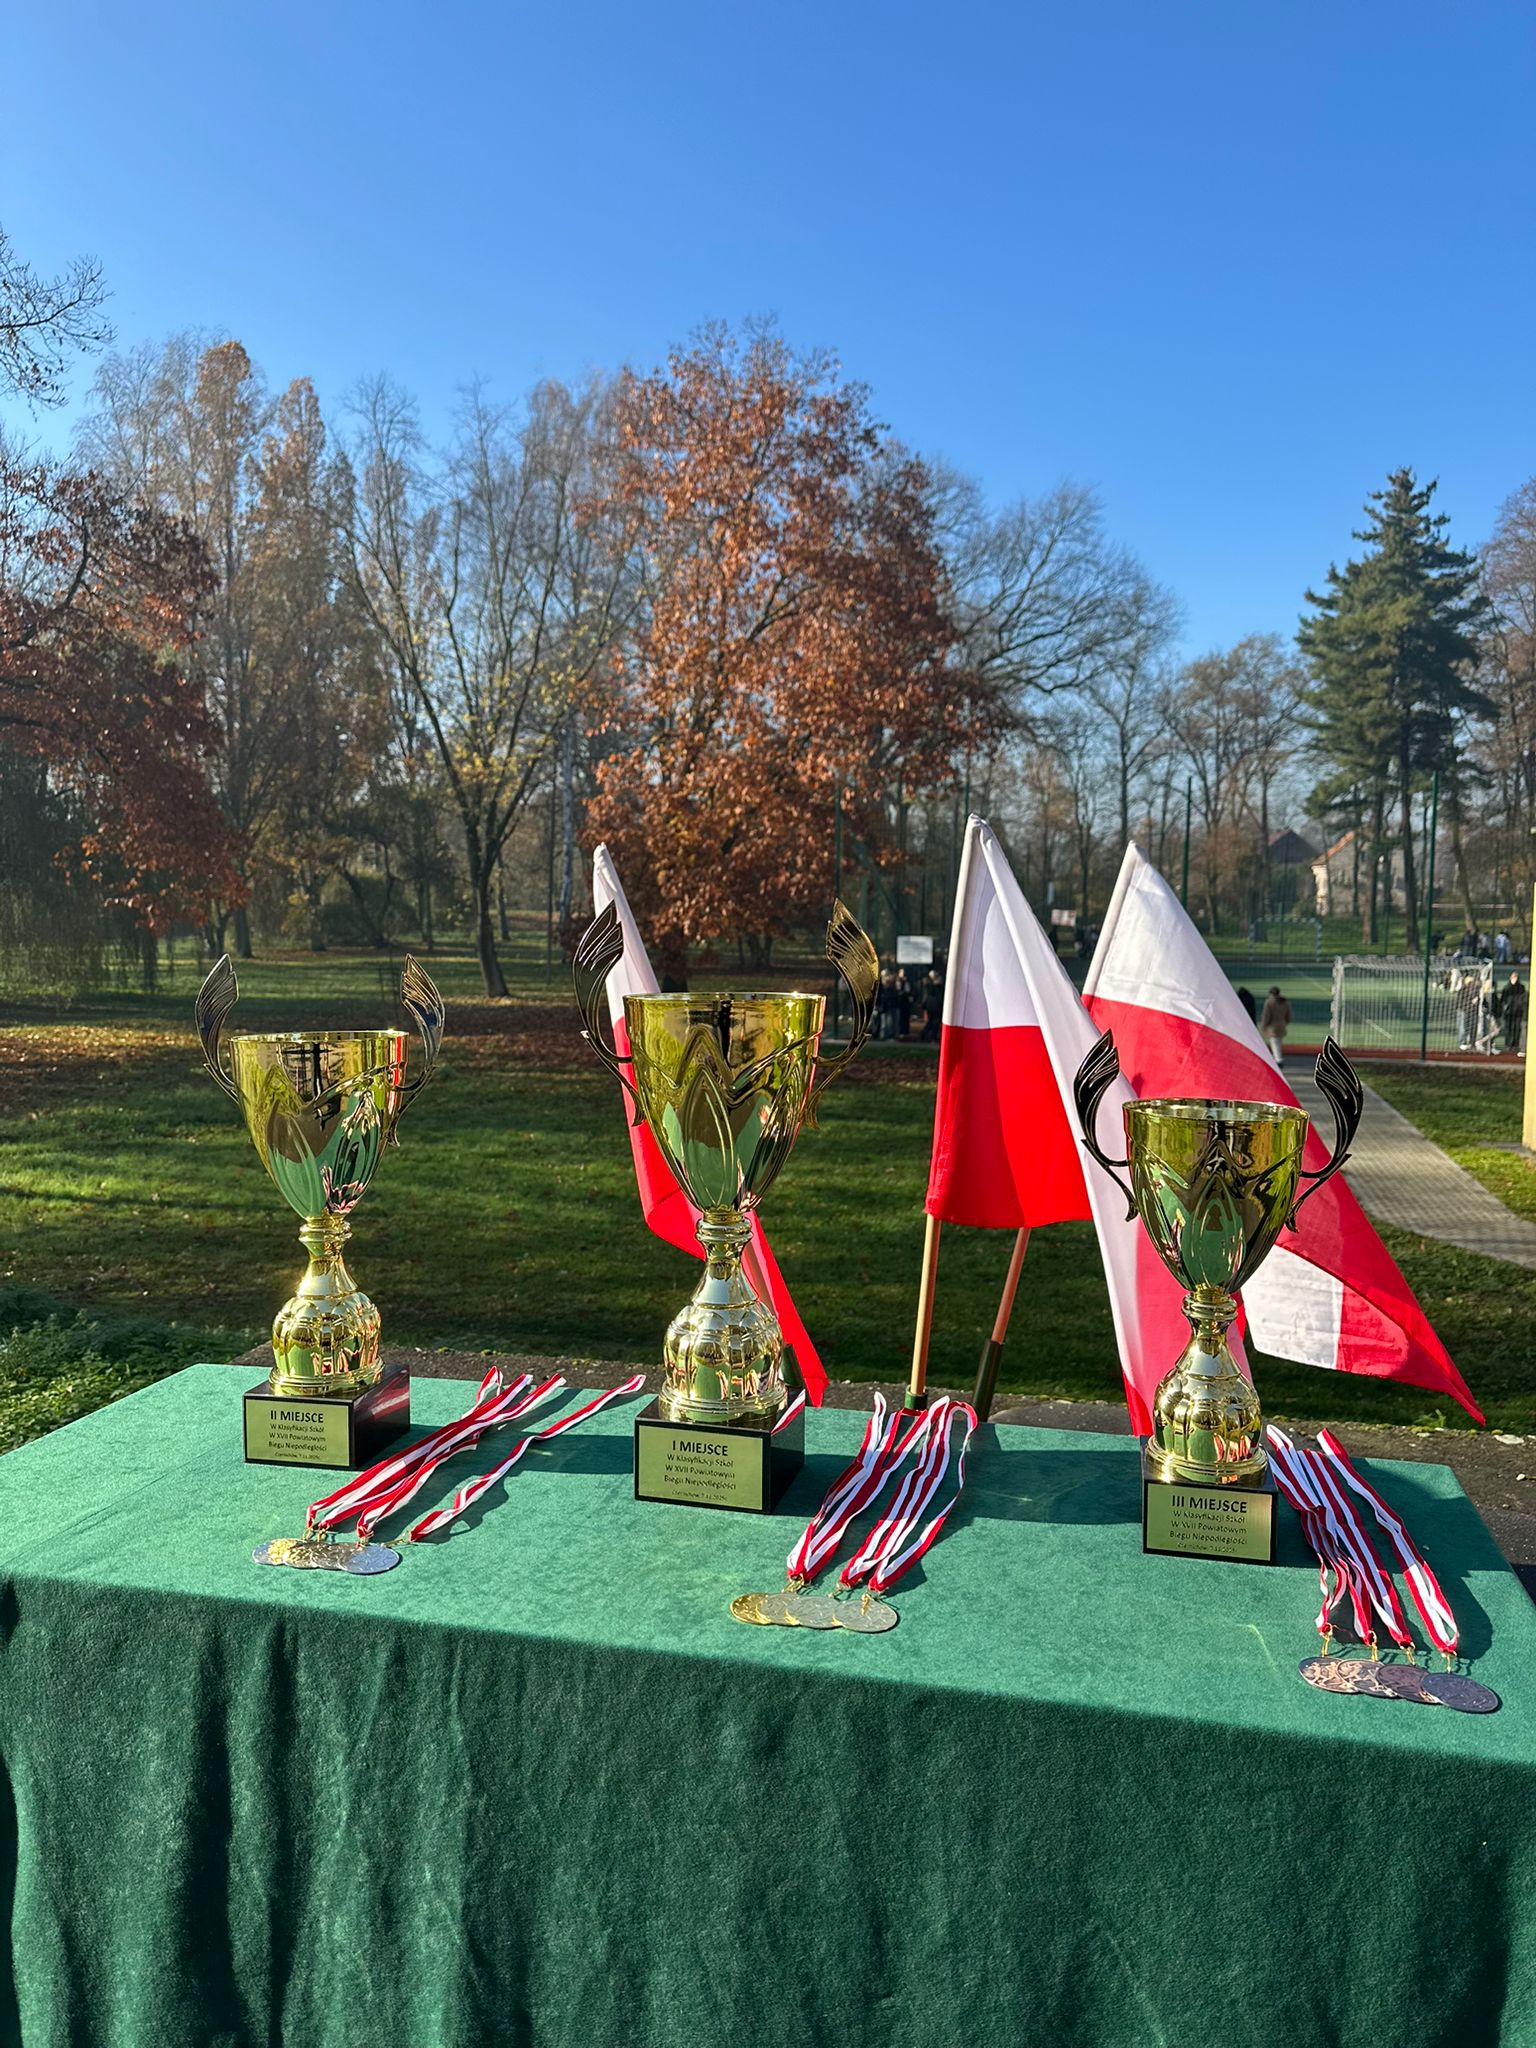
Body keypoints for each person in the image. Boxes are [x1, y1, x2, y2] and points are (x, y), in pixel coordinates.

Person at [1494, 972, 1528, 1055]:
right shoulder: (1507, 987)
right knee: (1509, 1029)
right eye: (1513, 977)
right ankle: (1508, 1044)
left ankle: (1515, 1045)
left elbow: (1522, 998)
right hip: (1509, 1012)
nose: (1514, 979)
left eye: (1516, 977)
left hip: (1518, 1012)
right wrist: (1505, 1008)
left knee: (1517, 1029)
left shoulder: (1521, 987)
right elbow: (1503, 999)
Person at [1259, 985, 1291, 1067]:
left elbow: (1266, 1016)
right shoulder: (1285, 1002)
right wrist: (1285, 1022)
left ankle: (1278, 1060)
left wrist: (1264, 1026)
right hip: (1282, 1025)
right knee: (1278, 1042)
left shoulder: (1269, 1002)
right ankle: (1275, 1058)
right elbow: (1289, 1015)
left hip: (1272, 1027)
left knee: (1274, 1043)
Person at [920, 966, 944, 1042]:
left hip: (932, 1006)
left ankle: (929, 1036)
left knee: (932, 1022)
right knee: (933, 1022)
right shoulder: (932, 987)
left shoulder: (930, 986)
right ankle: (929, 1036)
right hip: (934, 1007)